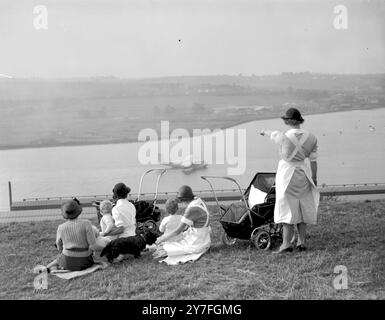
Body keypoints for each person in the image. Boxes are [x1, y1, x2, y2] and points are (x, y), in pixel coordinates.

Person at [260, 107, 319, 253]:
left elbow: (270, 134)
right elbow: (313, 161)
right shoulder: (312, 137)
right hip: (303, 174)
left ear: (289, 121)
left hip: (287, 175)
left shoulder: (283, 136)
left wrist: (263, 132)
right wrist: (314, 178)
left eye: (286, 119)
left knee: (286, 207)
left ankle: (286, 244)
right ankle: (301, 242)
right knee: (302, 206)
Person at [153, 185, 211, 265]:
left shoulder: (191, 209)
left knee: (164, 249)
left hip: (197, 242)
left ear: (183, 200)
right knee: (168, 245)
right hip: (204, 238)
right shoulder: (199, 200)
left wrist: (161, 238)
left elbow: (177, 231)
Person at [45, 199, 99, 271]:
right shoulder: (86, 223)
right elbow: (93, 245)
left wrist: (62, 253)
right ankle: (50, 267)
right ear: (78, 211)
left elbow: (58, 244)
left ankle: (46, 268)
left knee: (60, 259)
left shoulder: (61, 227)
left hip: (67, 261)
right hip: (85, 261)